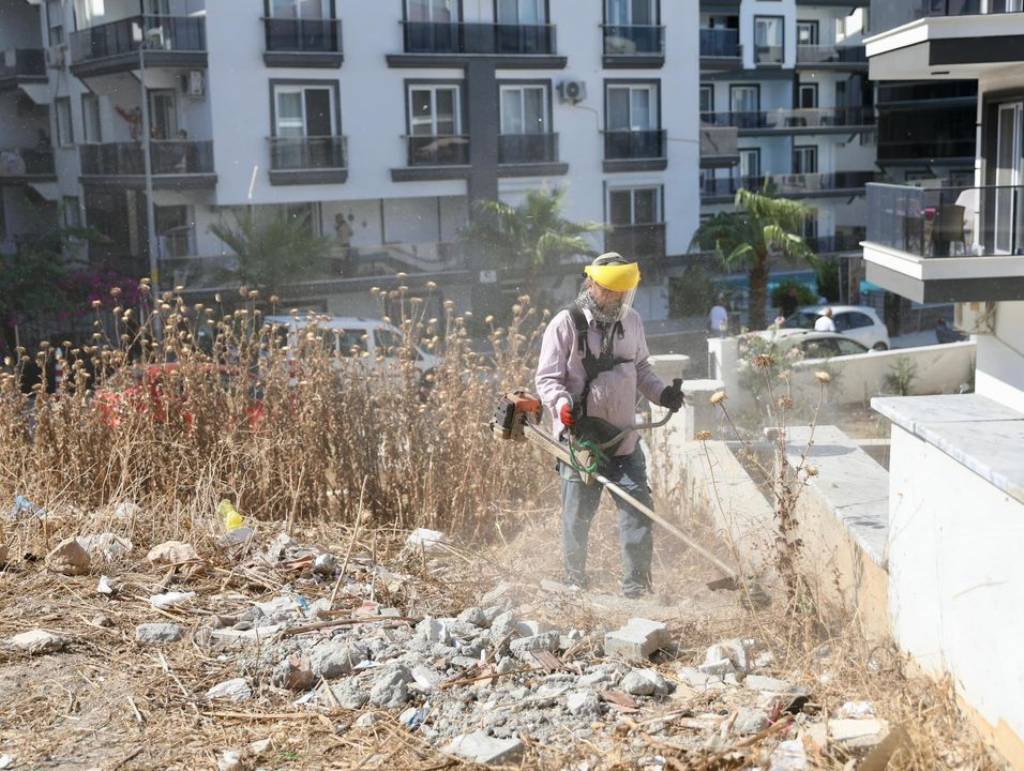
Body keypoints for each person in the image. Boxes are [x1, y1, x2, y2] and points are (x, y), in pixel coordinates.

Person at [535, 253, 685, 598]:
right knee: (577, 516)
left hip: (623, 439)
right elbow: (547, 380)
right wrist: (562, 405)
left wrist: (663, 394)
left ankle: (636, 589)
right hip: (581, 440)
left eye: (623, 292)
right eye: (610, 291)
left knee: (637, 508)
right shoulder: (566, 324)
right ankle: (575, 583)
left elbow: (642, 369)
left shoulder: (631, 321)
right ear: (591, 283)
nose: (617, 298)